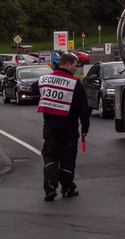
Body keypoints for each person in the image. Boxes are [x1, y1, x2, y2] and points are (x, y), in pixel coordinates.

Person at [35, 52, 90, 201]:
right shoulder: (74, 83)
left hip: (50, 127)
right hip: (69, 128)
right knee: (68, 156)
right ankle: (67, 187)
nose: (76, 69)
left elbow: (35, 90)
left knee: (50, 156)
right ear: (68, 64)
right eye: (75, 65)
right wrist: (85, 128)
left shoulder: (44, 80)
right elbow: (83, 107)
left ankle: (49, 188)